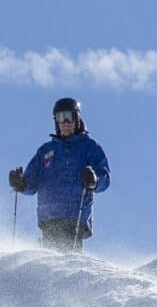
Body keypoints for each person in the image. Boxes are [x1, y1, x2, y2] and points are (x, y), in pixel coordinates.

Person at [9, 96, 110, 252]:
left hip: (74, 217)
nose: (66, 122)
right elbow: (31, 183)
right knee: (49, 255)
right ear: (56, 122)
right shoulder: (46, 151)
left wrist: (93, 179)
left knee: (67, 254)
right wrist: (21, 183)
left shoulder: (89, 147)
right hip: (49, 217)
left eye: (70, 117)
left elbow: (104, 177)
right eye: (61, 117)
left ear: (77, 119)